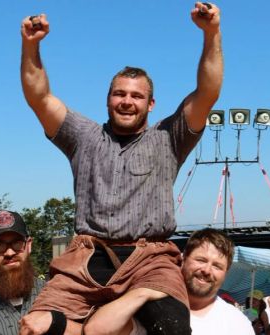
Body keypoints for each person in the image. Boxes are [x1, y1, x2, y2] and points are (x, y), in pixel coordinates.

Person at [18, 2, 224, 334]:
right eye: (119, 94)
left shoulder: (168, 138)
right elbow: (39, 98)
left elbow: (208, 92)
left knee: (171, 327)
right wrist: (31, 45)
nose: (127, 101)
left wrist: (211, 33)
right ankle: (62, 325)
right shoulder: (84, 137)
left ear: (150, 104)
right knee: (32, 327)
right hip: (86, 259)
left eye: (136, 96)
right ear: (108, 99)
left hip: (150, 260)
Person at [83, 228, 254, 335]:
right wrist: (145, 292)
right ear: (183, 258)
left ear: (226, 273)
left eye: (217, 266)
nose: (207, 270)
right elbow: (95, 330)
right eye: (201, 260)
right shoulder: (152, 304)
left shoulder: (237, 324)